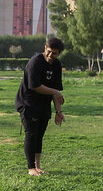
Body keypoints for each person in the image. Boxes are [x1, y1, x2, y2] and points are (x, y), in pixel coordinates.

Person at [15, 37, 65, 176]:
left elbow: (56, 91)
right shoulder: (35, 62)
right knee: (31, 134)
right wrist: (55, 91)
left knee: (39, 135)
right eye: (48, 51)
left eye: (54, 53)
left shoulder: (56, 65)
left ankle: (38, 166)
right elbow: (35, 86)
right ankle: (31, 168)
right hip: (28, 103)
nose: (50, 55)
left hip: (44, 105)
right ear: (45, 48)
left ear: (58, 53)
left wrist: (58, 111)